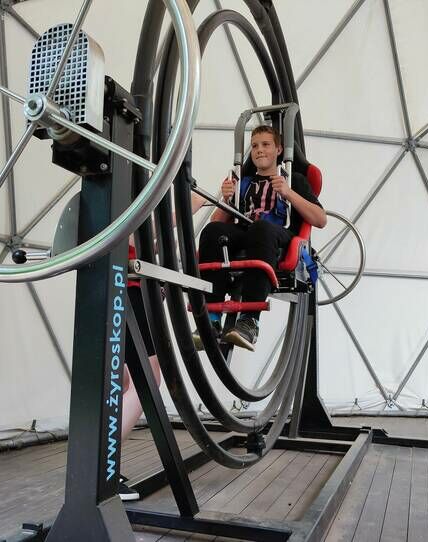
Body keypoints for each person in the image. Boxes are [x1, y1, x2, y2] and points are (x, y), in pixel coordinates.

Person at [193, 125, 326, 352]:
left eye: (266, 145)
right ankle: (212, 318)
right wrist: (227, 199)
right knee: (212, 231)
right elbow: (217, 220)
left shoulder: (293, 180)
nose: (259, 150)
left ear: (278, 150)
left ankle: (250, 321)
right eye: (255, 146)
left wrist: (288, 192)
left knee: (260, 228)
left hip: (277, 234)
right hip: (246, 233)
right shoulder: (243, 182)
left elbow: (320, 219)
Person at [118, 192, 206, 500]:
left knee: (125, 381)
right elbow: (142, 232)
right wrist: (188, 203)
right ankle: (102, 470)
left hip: (125, 293)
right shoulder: (129, 204)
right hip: (131, 295)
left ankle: (103, 466)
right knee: (147, 380)